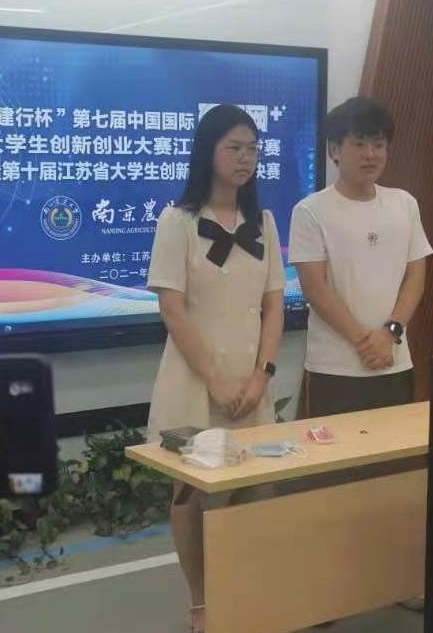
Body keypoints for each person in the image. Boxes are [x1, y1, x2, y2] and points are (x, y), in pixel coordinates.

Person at [289, 96, 432, 614]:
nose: (371, 154)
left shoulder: (403, 203)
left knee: (397, 477)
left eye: (379, 144)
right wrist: (361, 339)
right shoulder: (311, 211)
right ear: (334, 149)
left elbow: (416, 273)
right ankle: (328, 591)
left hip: (395, 363)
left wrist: (390, 332)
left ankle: (397, 579)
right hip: (335, 370)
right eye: (359, 143)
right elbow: (315, 287)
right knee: (331, 480)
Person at [146, 103, 286, 633]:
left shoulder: (264, 222)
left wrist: (262, 374)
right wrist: (217, 381)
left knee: (252, 490)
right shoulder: (177, 221)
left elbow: (274, 304)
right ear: (207, 151)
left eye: (252, 149)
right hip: (193, 382)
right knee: (190, 495)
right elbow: (172, 310)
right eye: (234, 147)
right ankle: (202, 601)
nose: (245, 158)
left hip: (252, 382)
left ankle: (242, 592)